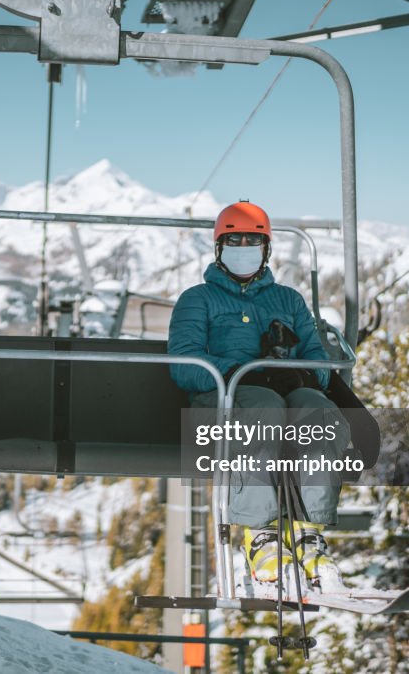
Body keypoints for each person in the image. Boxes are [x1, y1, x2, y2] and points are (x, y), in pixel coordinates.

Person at [168, 201, 350, 591]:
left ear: (266, 249)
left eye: (253, 240)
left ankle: (308, 533)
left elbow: (320, 367)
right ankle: (260, 535)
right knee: (261, 409)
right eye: (235, 240)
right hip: (222, 400)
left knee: (321, 413)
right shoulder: (197, 300)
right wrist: (238, 371)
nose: (244, 246)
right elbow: (184, 365)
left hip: (284, 395)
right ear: (220, 248)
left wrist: (292, 366)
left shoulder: (289, 301)